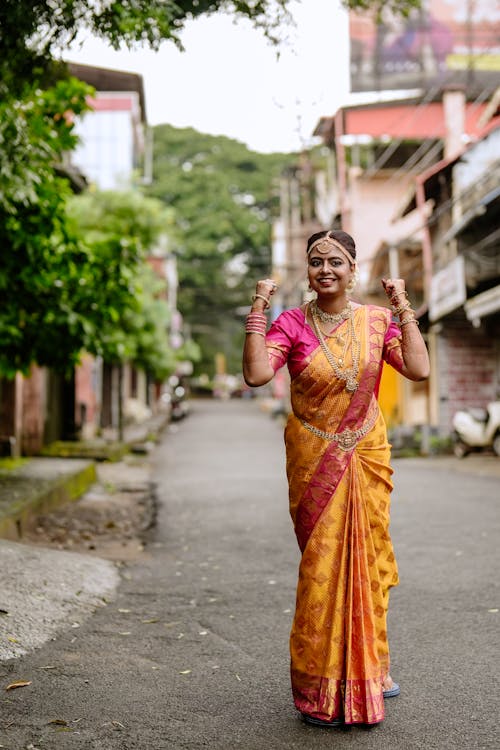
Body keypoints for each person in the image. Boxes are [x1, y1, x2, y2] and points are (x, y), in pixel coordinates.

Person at [242, 229, 430, 728]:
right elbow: (259, 375)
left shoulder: (377, 321)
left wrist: (401, 302)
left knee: (368, 563)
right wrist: (258, 310)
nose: (326, 269)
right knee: (323, 571)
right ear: (307, 270)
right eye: (316, 261)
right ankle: (318, 685)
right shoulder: (292, 323)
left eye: (337, 261)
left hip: (366, 455)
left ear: (353, 269)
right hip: (315, 461)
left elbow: (417, 367)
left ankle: (373, 669)